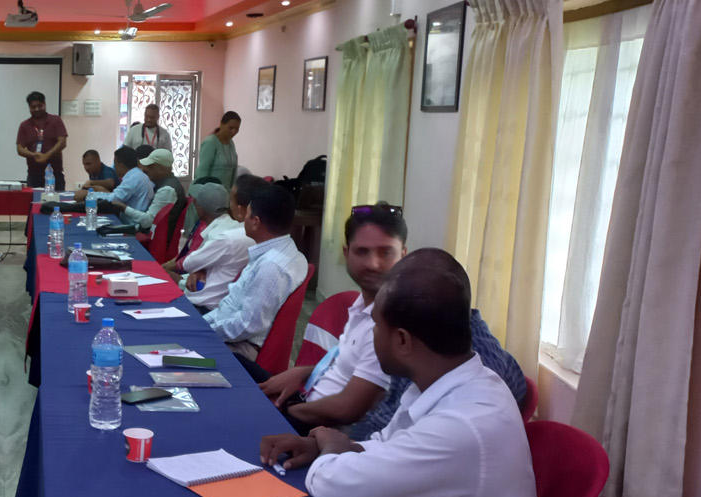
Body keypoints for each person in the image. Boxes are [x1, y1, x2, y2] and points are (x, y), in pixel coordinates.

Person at [260, 250, 545, 497]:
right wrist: (319, 445)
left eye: (376, 326)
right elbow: (389, 445)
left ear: (403, 341)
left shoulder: (463, 425)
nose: (371, 335)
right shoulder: (452, 380)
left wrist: (331, 449)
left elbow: (332, 486)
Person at [345, 249, 527, 441]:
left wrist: (346, 449)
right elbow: (387, 430)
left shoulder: (460, 382)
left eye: (376, 324)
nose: (373, 264)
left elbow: (408, 444)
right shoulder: (428, 355)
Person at [257, 204, 407, 432]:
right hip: (307, 400)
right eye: (362, 252)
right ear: (346, 254)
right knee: (236, 366)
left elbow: (347, 409)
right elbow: (348, 365)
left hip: (319, 428)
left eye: (386, 252)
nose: (372, 264)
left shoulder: (391, 323)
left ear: (403, 255)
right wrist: (303, 372)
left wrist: (286, 409)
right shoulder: (362, 305)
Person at [202, 177, 308, 365]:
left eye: (248, 214)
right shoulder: (288, 251)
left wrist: (201, 331)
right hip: (229, 334)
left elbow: (245, 326)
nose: (243, 219)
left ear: (256, 222)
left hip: (238, 348)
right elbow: (230, 306)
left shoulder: (271, 266)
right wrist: (198, 324)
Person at [176, 181, 256, 310]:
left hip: (207, 304)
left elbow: (188, 264)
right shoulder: (237, 228)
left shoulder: (225, 238)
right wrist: (199, 269)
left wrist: (196, 269)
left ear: (200, 208)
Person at [105, 148, 184, 232]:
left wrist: (124, 208)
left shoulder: (167, 190)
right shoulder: (164, 183)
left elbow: (148, 222)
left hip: (152, 237)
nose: (146, 169)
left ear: (161, 169)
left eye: (150, 166)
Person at [79, 146, 154, 222]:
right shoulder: (137, 175)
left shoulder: (134, 178)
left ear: (121, 165)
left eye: (115, 164)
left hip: (130, 223)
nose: (114, 167)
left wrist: (89, 195)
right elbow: (114, 195)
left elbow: (113, 199)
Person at [15, 90, 68, 190]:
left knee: (56, 199)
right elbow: (19, 148)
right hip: (33, 175)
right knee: (34, 200)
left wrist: (48, 155)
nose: (37, 109)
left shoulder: (55, 120)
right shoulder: (24, 125)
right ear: (29, 107)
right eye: (33, 107)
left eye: (40, 105)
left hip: (55, 174)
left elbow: (62, 142)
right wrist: (33, 155)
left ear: (45, 104)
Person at [195, 111, 241, 188]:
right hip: (210, 190)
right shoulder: (211, 142)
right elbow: (202, 171)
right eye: (231, 128)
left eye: (237, 129)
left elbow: (233, 171)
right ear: (221, 124)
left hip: (226, 191)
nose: (234, 132)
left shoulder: (231, 143)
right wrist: (202, 190)